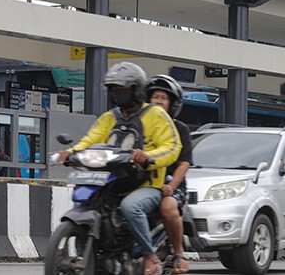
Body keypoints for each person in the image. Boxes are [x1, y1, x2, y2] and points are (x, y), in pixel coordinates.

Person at [53, 62, 181, 275]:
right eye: (114, 90)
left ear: (137, 90)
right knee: (83, 199)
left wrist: (147, 157)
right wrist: (70, 152)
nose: (118, 94)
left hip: (147, 184)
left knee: (131, 207)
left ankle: (149, 255)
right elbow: (90, 140)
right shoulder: (109, 117)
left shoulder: (155, 114)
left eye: (122, 89)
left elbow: (172, 147)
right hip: (111, 180)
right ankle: (89, 254)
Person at [146, 74, 193, 274]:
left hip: (170, 184)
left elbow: (184, 163)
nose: (158, 101)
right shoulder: (140, 123)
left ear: (172, 104)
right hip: (142, 181)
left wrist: (172, 186)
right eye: (155, 96)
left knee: (168, 207)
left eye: (163, 98)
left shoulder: (179, 129)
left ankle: (178, 253)